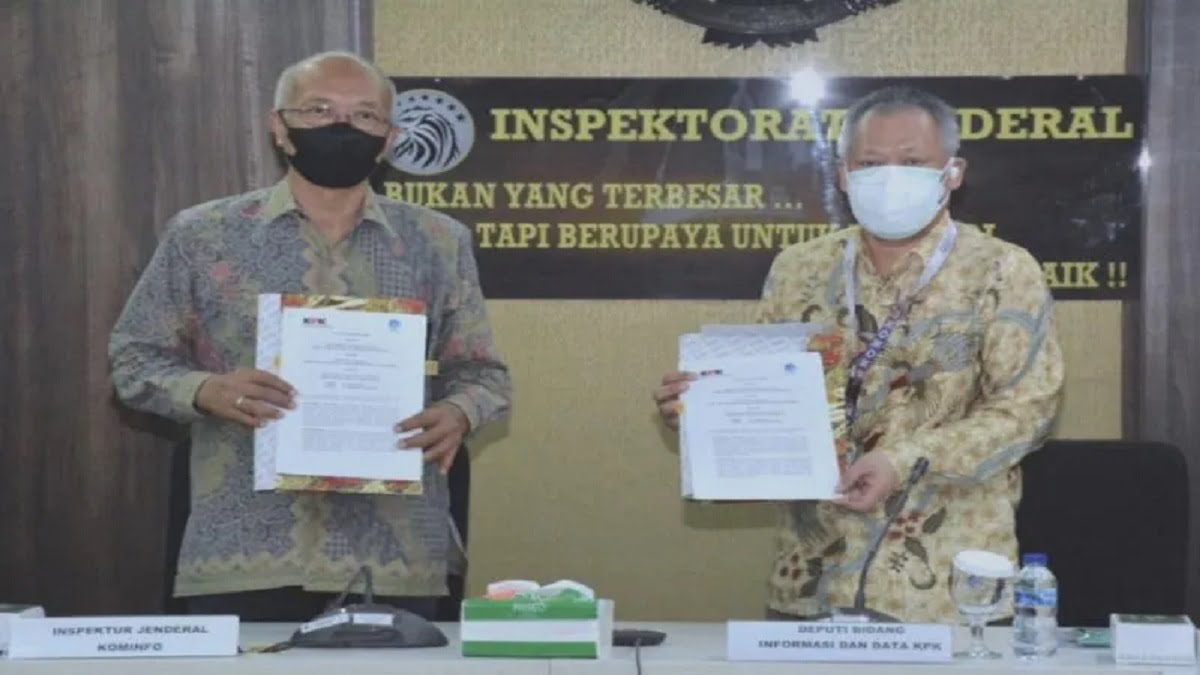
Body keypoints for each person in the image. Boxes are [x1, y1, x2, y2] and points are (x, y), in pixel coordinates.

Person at [109, 51, 511, 621]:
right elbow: (133, 360)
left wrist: (459, 413)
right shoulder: (202, 235)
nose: (341, 126)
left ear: (390, 139)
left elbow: (484, 375)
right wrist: (204, 390)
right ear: (280, 128)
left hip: (394, 557)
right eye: (318, 110)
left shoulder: (439, 241)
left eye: (364, 115)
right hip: (245, 551)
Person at [653, 85, 1064, 623]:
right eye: (870, 163)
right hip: (811, 582)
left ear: (952, 173)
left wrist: (901, 460)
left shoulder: (1002, 270)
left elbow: (1027, 414)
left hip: (946, 594)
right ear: (844, 175)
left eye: (912, 162)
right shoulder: (799, 268)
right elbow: (770, 399)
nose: (890, 176)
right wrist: (704, 411)